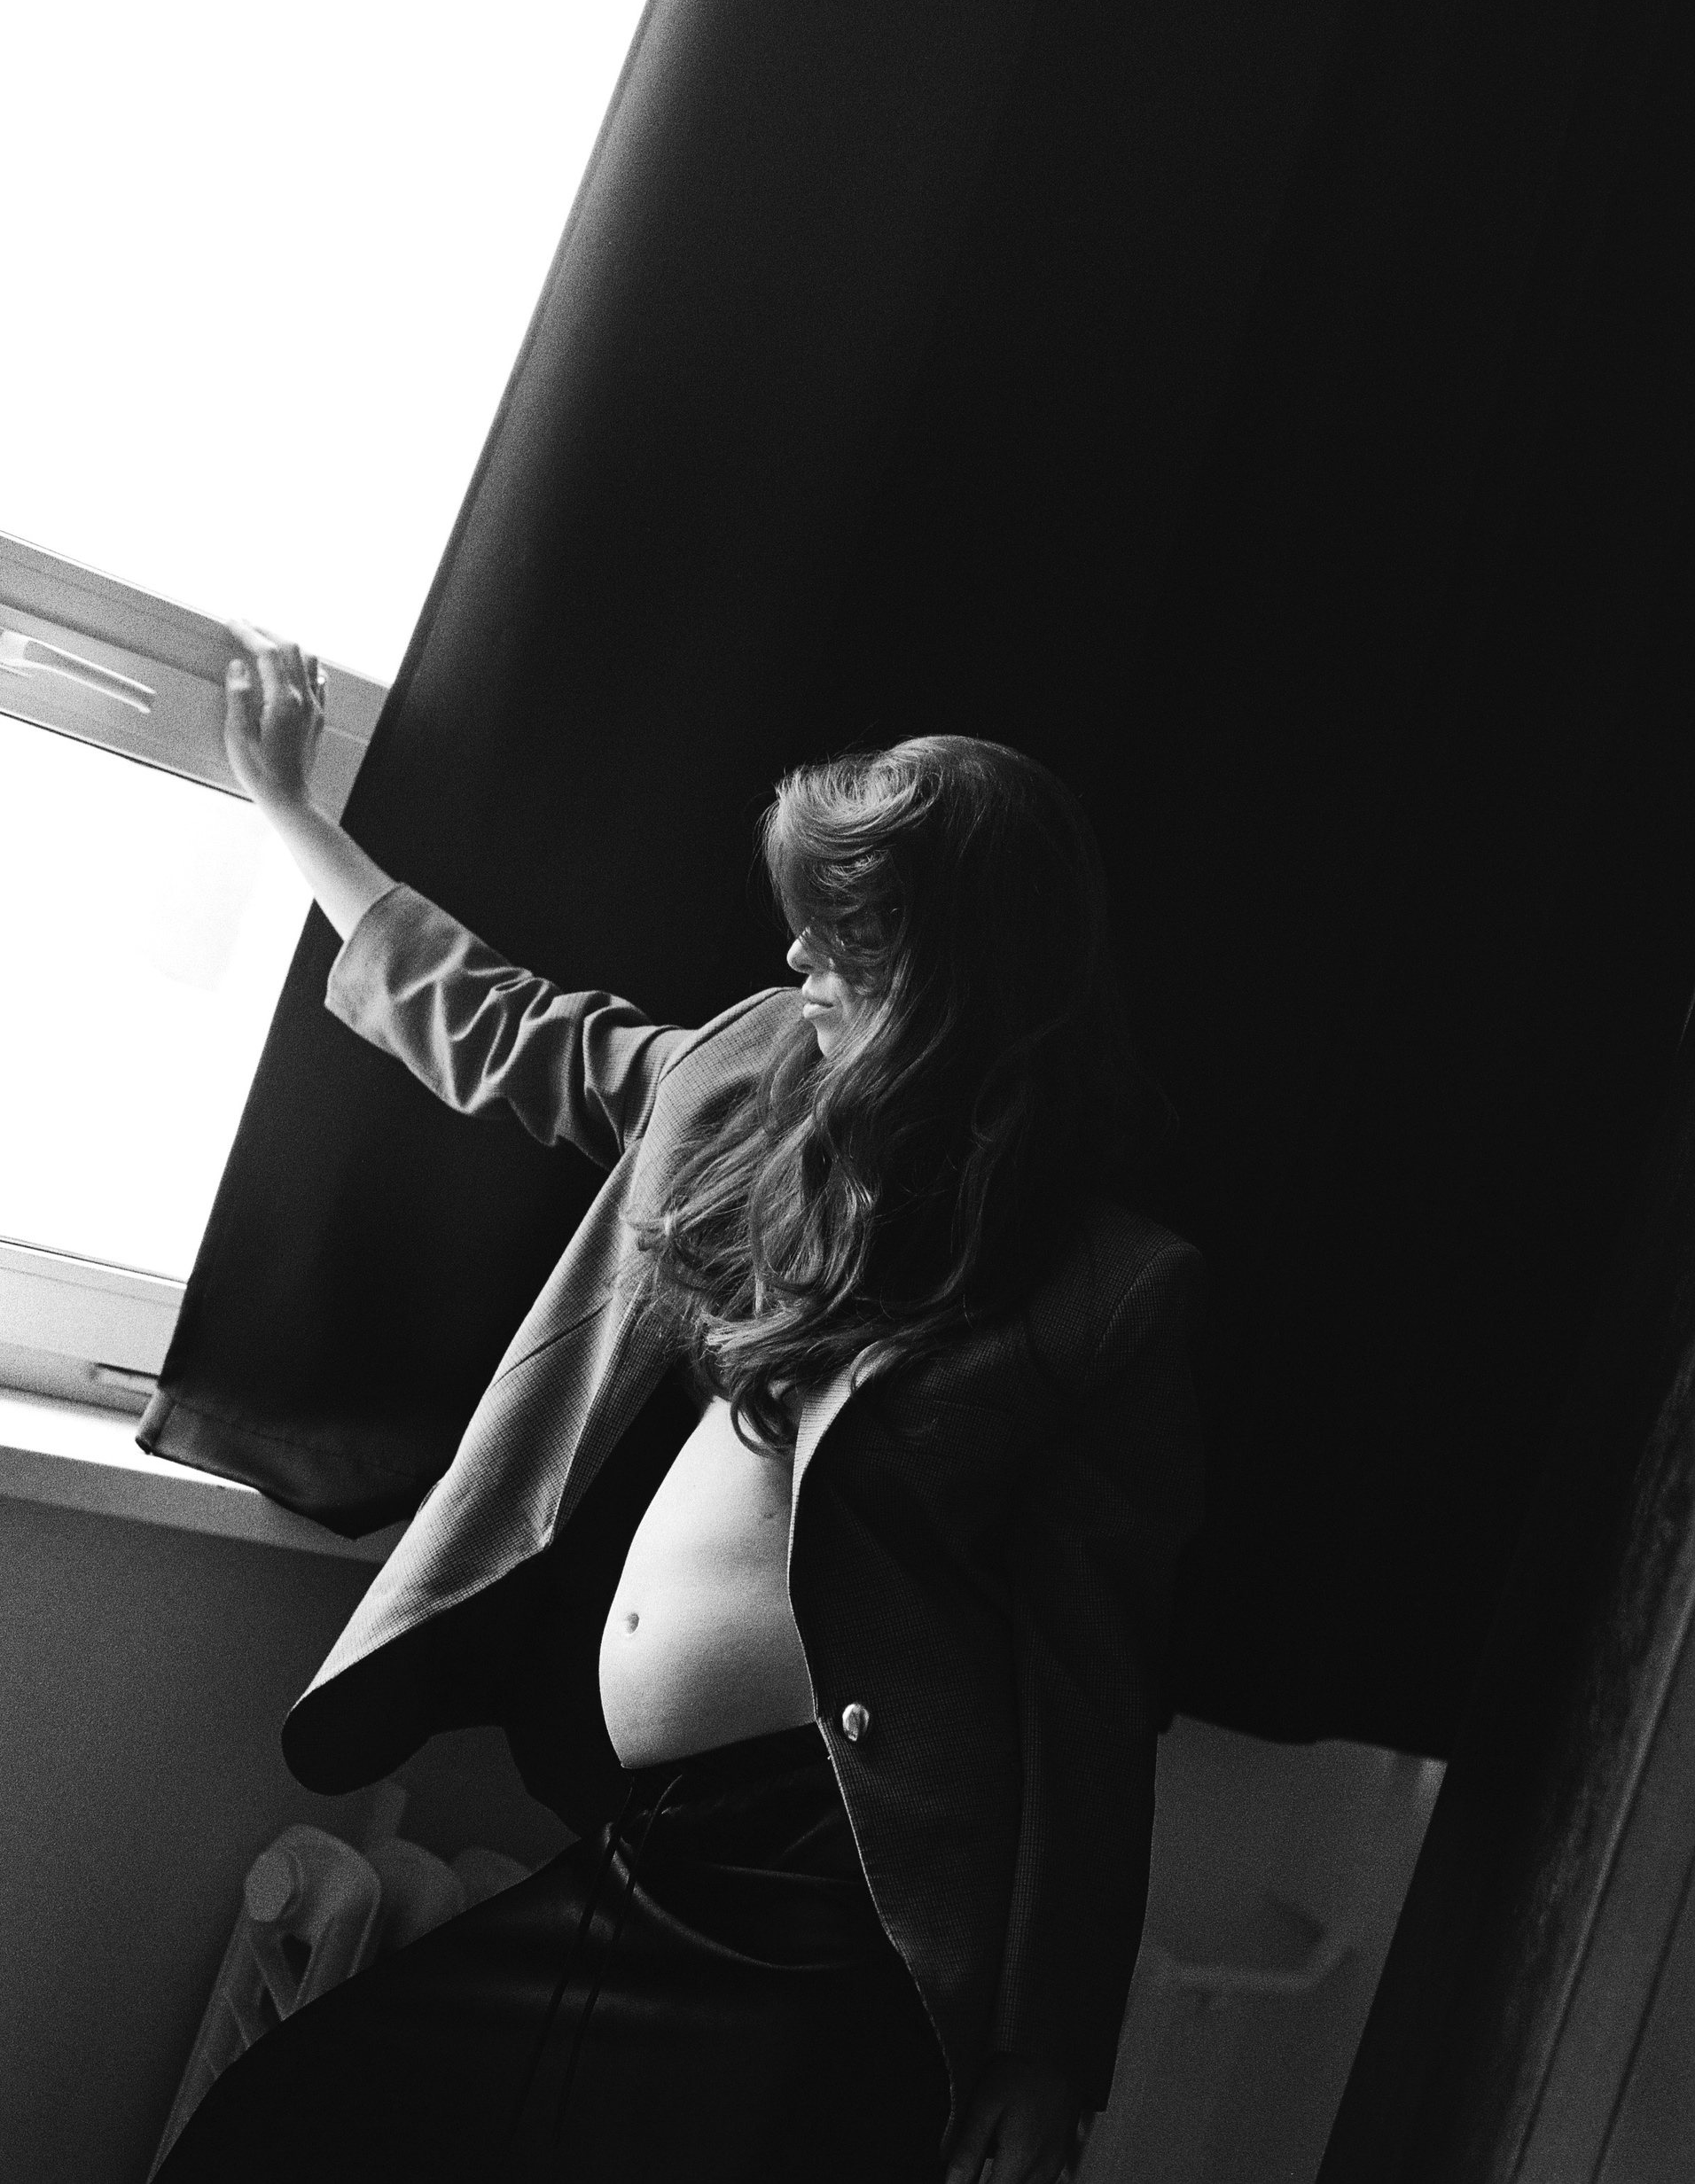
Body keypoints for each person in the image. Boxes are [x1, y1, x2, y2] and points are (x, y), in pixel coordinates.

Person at [156, 624, 1207, 2184]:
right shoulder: (749, 1082)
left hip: (834, 1903)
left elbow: (1093, 1697)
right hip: (653, 1847)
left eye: (840, 940)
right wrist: (292, 812)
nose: (794, 964)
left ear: (944, 974)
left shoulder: (1110, 1292)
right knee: (270, 2135)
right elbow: (502, 1022)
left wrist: (1046, 2054)